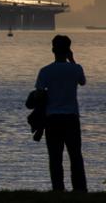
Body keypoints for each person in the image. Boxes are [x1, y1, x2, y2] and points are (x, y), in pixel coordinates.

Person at [35, 34, 87, 192]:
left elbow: (39, 95)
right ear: (68, 50)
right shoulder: (76, 69)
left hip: (52, 119)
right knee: (75, 156)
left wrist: (39, 123)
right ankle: (80, 189)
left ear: (53, 50)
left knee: (55, 157)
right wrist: (72, 60)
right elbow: (82, 82)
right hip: (71, 118)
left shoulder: (45, 71)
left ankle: (58, 189)